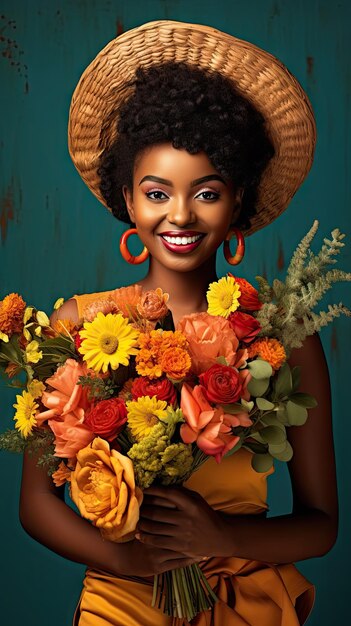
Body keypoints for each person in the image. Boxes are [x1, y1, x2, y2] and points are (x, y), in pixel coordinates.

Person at [19, 20, 338, 626]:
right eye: (158, 192)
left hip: (246, 605)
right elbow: (37, 505)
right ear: (128, 198)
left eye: (207, 193)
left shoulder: (283, 337)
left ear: (238, 200)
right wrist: (138, 562)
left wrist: (221, 538)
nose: (181, 215)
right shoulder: (78, 323)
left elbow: (321, 527)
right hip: (122, 602)